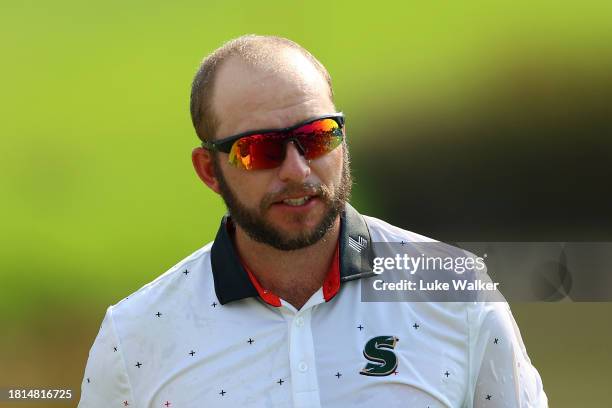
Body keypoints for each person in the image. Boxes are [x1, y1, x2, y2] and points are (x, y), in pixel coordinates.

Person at [78, 35, 547, 407]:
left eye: (318, 137)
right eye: (259, 148)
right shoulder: (135, 334)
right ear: (209, 171)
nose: (297, 170)